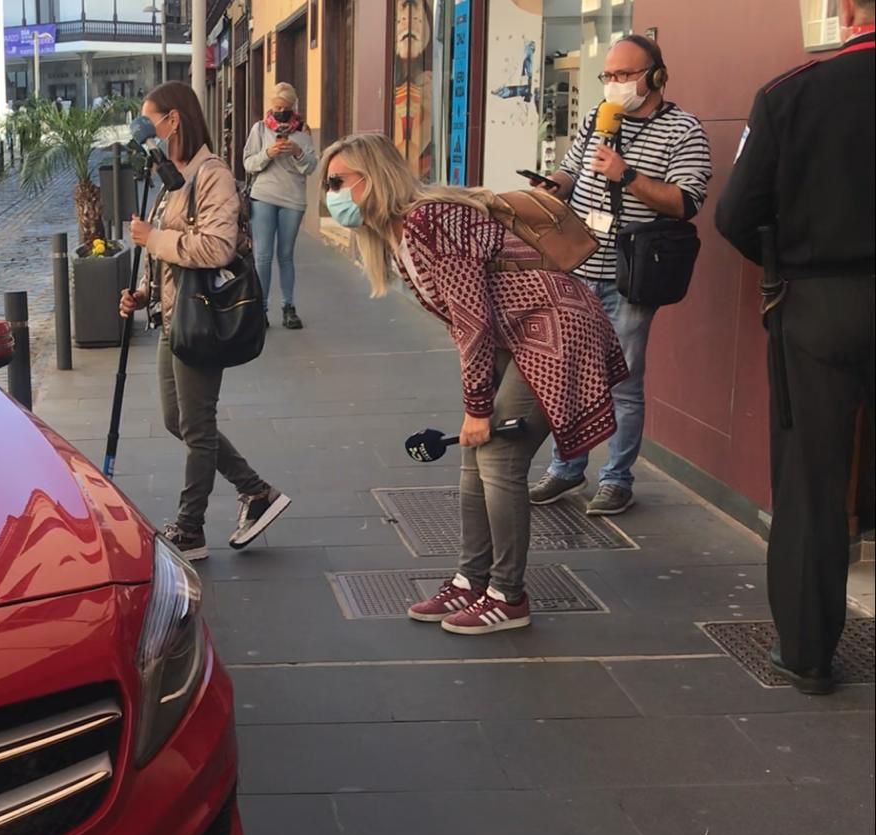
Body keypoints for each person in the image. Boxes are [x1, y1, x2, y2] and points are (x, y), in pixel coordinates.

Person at [322, 133, 627, 635]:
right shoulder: (398, 232)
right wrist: (477, 407)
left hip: (552, 328)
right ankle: (471, 580)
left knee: (499, 458)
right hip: (520, 332)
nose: (331, 195)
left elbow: (472, 321)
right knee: (474, 455)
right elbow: (473, 320)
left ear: (372, 177)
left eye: (338, 182)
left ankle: (508, 595)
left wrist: (477, 406)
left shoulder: (427, 220)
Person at [714, 0, 875, 694]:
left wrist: (790, 264)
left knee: (811, 479)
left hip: (820, 303)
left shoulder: (792, 94)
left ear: (844, 11)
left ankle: (807, 653)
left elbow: (735, 215)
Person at [525, 34, 712, 516]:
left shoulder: (684, 130)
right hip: (579, 265)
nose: (613, 85)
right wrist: (552, 186)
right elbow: (570, 171)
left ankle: (617, 478)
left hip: (632, 276)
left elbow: (686, 202)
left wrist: (627, 176)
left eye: (624, 75)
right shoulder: (597, 119)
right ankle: (566, 468)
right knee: (567, 373)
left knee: (622, 383)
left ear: (655, 77)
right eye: (607, 76)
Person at [118, 81, 292, 561]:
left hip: (202, 317)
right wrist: (143, 294)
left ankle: (191, 528)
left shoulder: (210, 175)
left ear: (174, 120)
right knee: (177, 420)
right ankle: (256, 492)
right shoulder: (172, 176)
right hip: (174, 314)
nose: (142, 128)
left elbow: (216, 248)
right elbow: (172, 253)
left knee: (196, 424)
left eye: (148, 119)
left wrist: (153, 239)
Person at [242, 81, 317, 330]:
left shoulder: (303, 133)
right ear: (270, 106)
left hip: (293, 199)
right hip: (263, 196)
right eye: (276, 107)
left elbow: (310, 167)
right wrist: (268, 154)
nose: (280, 112)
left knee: (286, 255)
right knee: (262, 256)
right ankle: (260, 309)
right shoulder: (260, 129)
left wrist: (296, 151)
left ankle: (288, 306)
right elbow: (248, 163)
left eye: (285, 108)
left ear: (293, 106)